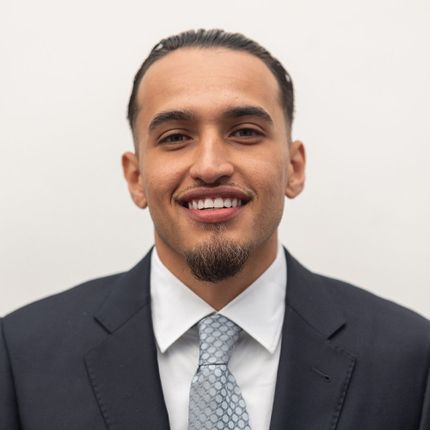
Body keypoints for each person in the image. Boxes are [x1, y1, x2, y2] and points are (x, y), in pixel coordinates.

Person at [1, 29, 429, 430]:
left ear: (294, 168)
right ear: (136, 178)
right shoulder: (20, 356)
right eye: (175, 137)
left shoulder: (411, 358)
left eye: (245, 132)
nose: (210, 166)